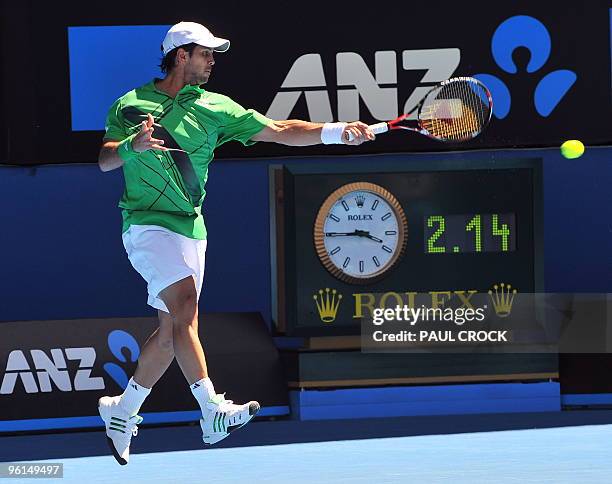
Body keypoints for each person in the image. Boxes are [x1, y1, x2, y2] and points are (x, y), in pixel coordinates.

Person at [97, 21, 374, 465]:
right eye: (205, 53)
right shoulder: (130, 105)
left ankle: (122, 410)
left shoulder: (215, 107)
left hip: (191, 227)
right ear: (181, 55)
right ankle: (211, 410)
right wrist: (134, 145)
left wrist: (334, 131)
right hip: (145, 224)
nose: (212, 61)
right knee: (185, 306)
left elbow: (279, 129)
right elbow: (106, 160)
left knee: (171, 333)